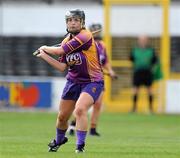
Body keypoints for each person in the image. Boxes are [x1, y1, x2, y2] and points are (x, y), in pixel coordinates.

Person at [35, 9, 104, 153]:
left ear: (82, 22)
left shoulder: (85, 36)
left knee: (80, 109)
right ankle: (59, 140)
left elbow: (59, 51)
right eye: (69, 20)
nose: (72, 23)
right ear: (66, 23)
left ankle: (80, 147)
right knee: (62, 117)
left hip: (92, 81)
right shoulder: (66, 41)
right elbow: (61, 67)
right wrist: (44, 55)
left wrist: (44, 47)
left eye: (76, 20)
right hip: (73, 82)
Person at [68, 23, 117, 136]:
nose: (97, 34)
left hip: (98, 79)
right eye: (95, 31)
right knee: (84, 105)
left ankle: (93, 129)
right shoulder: (85, 45)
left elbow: (105, 61)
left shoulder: (102, 45)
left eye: (98, 31)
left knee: (98, 104)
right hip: (86, 79)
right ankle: (73, 123)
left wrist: (110, 70)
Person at [130, 35, 158, 113]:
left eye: (144, 39)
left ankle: (151, 109)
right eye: (141, 39)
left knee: (150, 90)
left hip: (147, 72)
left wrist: (153, 69)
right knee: (135, 90)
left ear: (147, 40)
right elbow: (131, 59)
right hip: (138, 72)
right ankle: (134, 108)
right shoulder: (135, 49)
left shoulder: (151, 50)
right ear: (138, 40)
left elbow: (155, 61)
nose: (142, 41)